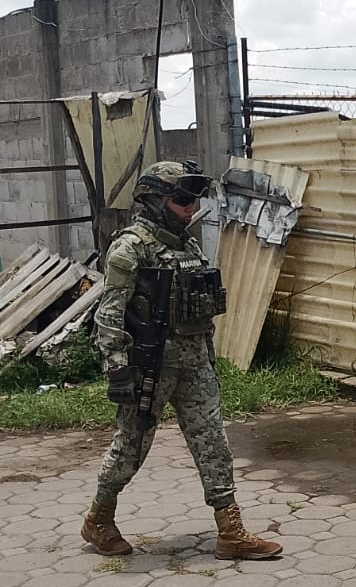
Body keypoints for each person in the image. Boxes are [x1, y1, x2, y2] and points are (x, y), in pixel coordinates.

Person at [83, 161, 281, 561]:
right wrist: (117, 367)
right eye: (181, 200)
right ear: (155, 200)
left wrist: (208, 355)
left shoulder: (186, 245)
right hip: (150, 365)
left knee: (213, 444)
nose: (190, 208)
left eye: (193, 200)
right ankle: (99, 518)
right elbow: (109, 313)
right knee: (131, 448)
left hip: (193, 363)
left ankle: (230, 530)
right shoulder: (130, 248)